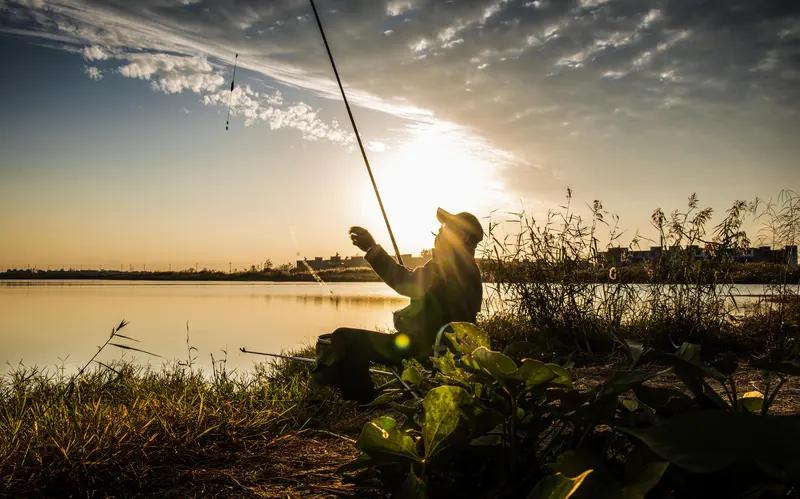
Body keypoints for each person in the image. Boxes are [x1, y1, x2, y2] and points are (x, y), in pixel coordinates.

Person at [313, 208, 483, 403]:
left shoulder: (449, 265)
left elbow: (407, 282)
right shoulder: (466, 267)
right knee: (352, 341)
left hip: (425, 349)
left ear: (463, 236)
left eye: (447, 227)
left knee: (345, 338)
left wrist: (372, 249)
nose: (440, 231)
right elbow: (426, 289)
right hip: (444, 348)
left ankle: (362, 402)